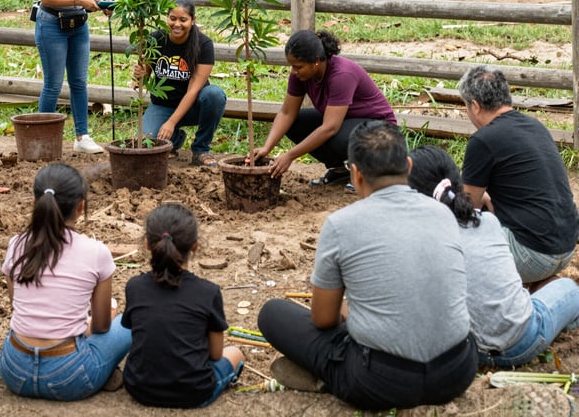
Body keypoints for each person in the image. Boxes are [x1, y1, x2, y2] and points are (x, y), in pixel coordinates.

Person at [257, 120, 477, 411]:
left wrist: (354, 311)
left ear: (356, 174)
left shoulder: (341, 224)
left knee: (272, 314)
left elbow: (323, 319)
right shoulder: (442, 213)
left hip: (381, 381)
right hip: (457, 370)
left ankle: (324, 377)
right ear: (408, 167)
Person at [409, 144, 579, 368]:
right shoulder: (487, 222)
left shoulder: (417, 240)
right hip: (520, 343)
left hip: (464, 351)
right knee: (568, 288)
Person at [0, 163, 131, 400]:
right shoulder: (96, 252)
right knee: (130, 321)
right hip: (68, 375)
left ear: (34, 202)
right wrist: (95, 320)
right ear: (81, 206)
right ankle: (106, 371)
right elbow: (101, 327)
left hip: (14, 369)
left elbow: (18, 305)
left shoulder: (16, 244)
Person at [459, 65, 578, 284]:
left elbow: (467, 209)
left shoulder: (483, 140)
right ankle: (542, 286)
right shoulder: (535, 125)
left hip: (533, 254)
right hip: (567, 245)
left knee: (460, 238)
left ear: (475, 106)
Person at [121, 203, 244, 407]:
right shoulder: (209, 292)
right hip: (195, 393)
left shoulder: (134, 287)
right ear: (195, 246)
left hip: (139, 388)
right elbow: (215, 354)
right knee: (235, 353)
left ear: (147, 244)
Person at [247, 29, 395, 182]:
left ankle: (366, 172)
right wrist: (267, 148)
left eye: (298, 66)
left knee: (338, 136)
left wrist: (289, 156)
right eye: (292, 66)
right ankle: (340, 170)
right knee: (295, 124)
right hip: (346, 121)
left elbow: (330, 127)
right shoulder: (300, 76)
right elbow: (286, 113)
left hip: (381, 130)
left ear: (316, 61)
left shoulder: (341, 75)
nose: (294, 71)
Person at [35, 0, 106, 155]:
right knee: (53, 85)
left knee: (79, 82)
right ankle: (42, 138)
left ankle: (82, 136)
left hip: (78, 24)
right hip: (52, 24)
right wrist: (78, 0)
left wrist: (93, 0)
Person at [132, 0, 226, 167]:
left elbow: (193, 90)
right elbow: (145, 76)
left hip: (193, 106)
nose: (177, 24)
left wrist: (171, 122)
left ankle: (200, 149)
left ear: (192, 20)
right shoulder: (156, 39)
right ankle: (174, 139)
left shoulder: (204, 44)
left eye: (183, 20)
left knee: (215, 95)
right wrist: (140, 74)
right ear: (166, 18)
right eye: (172, 18)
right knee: (147, 143)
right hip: (162, 105)